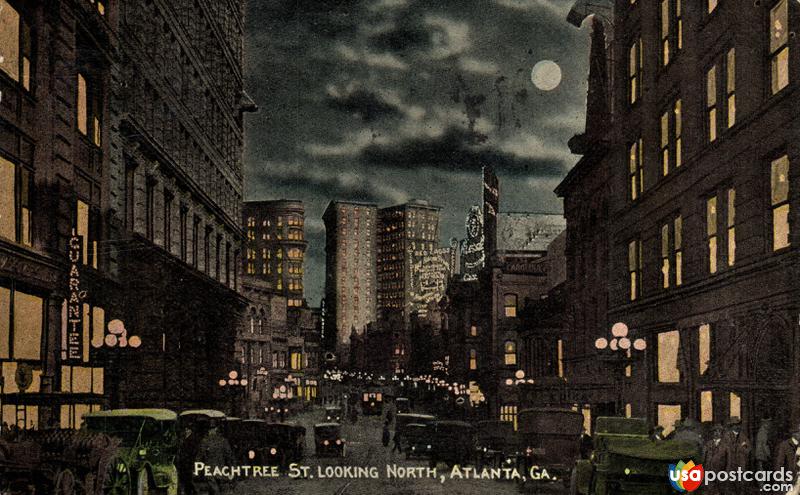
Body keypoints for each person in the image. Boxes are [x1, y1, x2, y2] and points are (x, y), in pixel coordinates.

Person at [197, 419, 236, 495]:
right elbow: (229, 457)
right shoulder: (223, 441)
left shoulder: (205, 441)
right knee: (219, 490)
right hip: (221, 470)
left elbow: (199, 457)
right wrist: (232, 470)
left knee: (214, 491)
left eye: (210, 429)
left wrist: (196, 470)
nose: (209, 431)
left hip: (209, 471)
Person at [703, 426, 728, 495]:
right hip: (708, 470)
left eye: (719, 431)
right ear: (712, 433)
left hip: (720, 471)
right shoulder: (708, 444)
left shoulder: (725, 445)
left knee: (719, 490)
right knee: (709, 490)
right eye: (715, 431)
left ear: (721, 433)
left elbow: (729, 460)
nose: (716, 433)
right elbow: (704, 458)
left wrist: (726, 471)